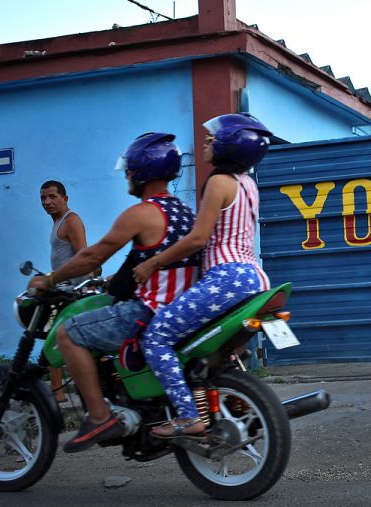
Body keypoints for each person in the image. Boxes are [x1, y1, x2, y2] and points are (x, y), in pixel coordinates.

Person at [29, 133, 201, 452]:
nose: (127, 176)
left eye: (130, 170)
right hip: (186, 309)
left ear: (142, 171)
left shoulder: (141, 213)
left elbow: (92, 256)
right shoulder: (185, 212)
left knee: (68, 333)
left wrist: (50, 280)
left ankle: (99, 416)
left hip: (150, 310)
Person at [133, 113, 271, 437]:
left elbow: (198, 238)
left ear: (229, 145)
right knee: (205, 352)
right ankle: (235, 401)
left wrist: (152, 263)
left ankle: (187, 416)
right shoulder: (248, 183)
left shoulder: (219, 182)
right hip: (255, 278)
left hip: (226, 279)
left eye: (212, 138)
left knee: (157, 336)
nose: (206, 143)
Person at [40, 180, 89, 403]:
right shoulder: (57, 221)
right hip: (60, 292)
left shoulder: (71, 221)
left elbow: (84, 257)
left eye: (52, 197)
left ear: (65, 198)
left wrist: (83, 291)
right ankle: (57, 394)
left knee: (55, 341)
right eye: (43, 198)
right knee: (52, 340)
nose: (47, 202)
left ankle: (59, 396)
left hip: (71, 294)